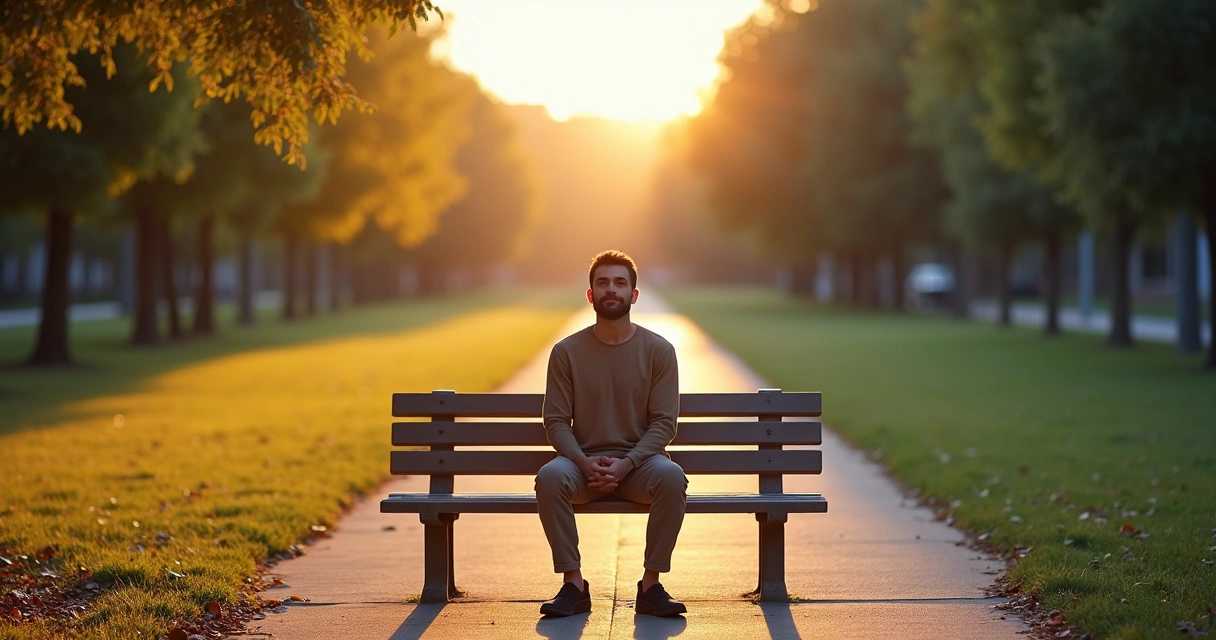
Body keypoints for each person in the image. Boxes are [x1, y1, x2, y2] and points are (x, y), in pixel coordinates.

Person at [536, 250, 688, 618]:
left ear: (634, 295)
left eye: (620, 283)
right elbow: (555, 420)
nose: (611, 289)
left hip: (640, 466)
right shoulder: (566, 352)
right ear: (590, 294)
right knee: (549, 477)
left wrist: (627, 463)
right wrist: (583, 462)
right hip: (581, 466)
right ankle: (573, 585)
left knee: (672, 477)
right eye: (602, 282)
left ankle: (651, 586)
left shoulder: (659, 351)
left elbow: (664, 423)